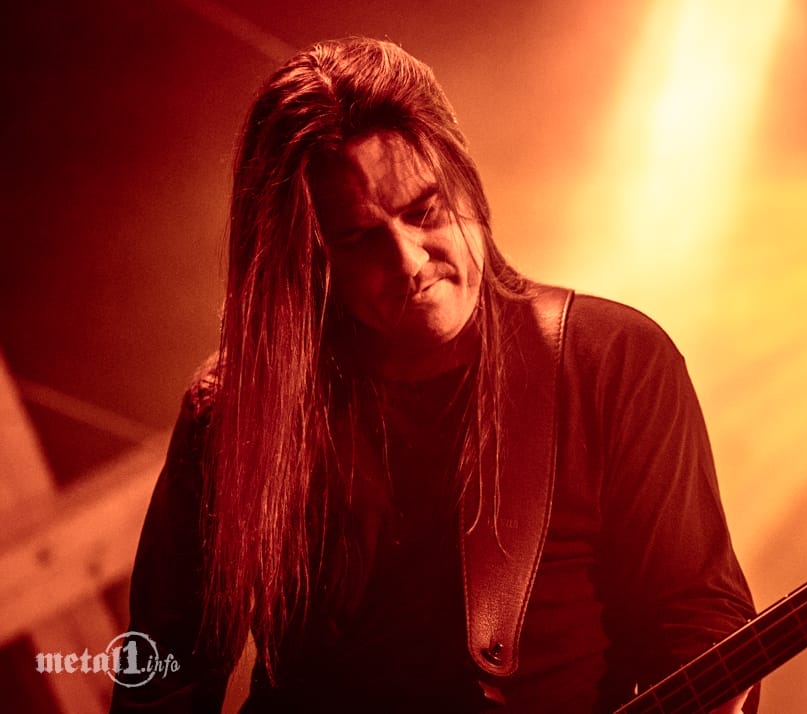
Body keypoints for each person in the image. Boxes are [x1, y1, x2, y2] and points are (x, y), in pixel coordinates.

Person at [111, 37, 757, 713]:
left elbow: (696, 622)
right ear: (306, 260)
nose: (410, 260)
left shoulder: (612, 363)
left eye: (424, 212)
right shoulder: (239, 407)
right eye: (360, 238)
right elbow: (162, 673)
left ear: (466, 183)